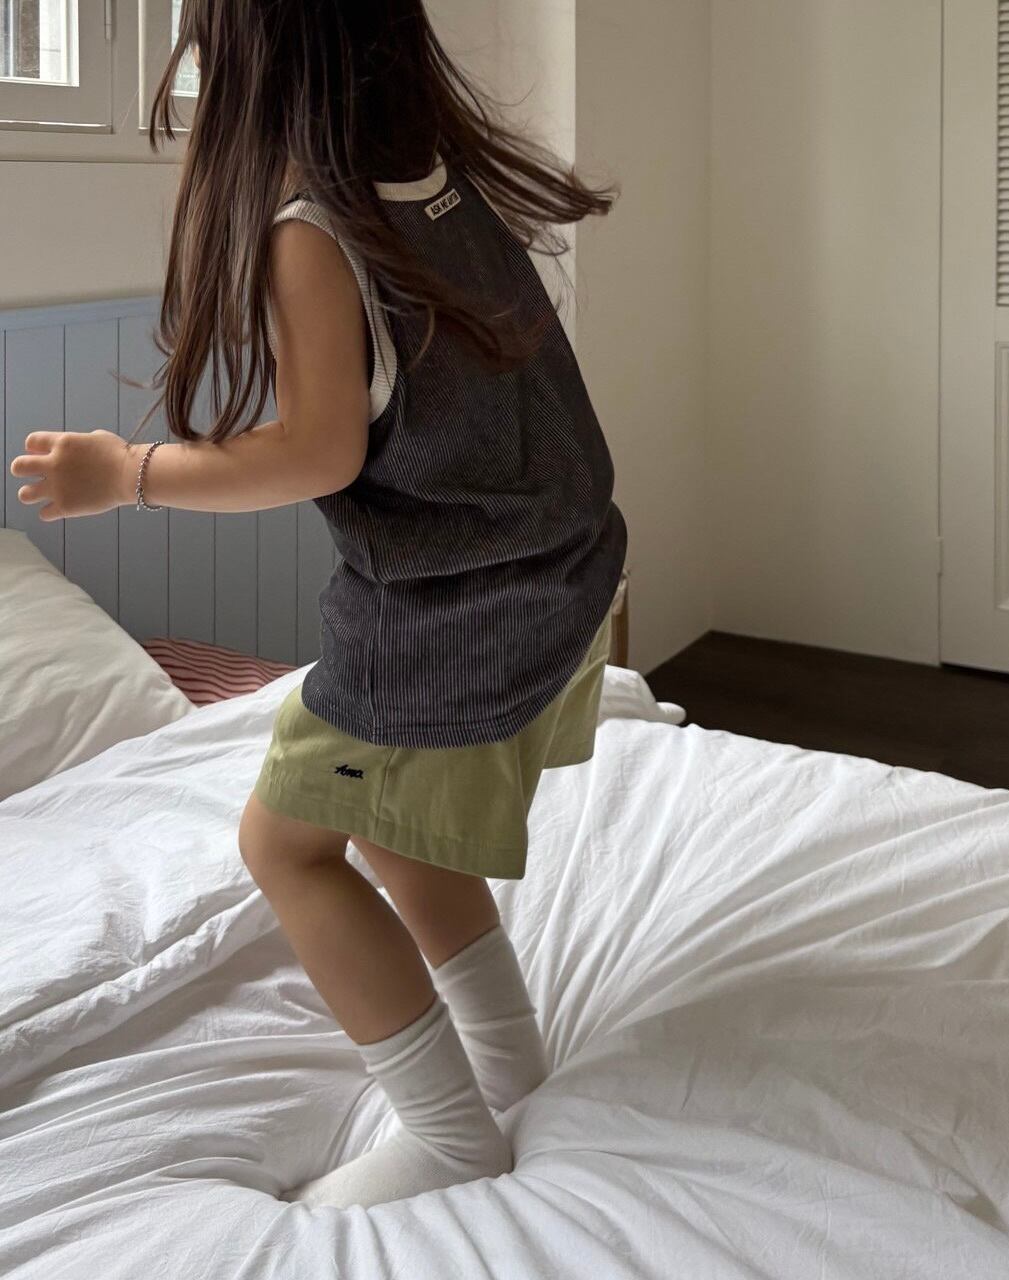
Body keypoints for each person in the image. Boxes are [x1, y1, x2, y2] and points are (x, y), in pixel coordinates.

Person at [9, 0, 626, 1210]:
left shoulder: (314, 229)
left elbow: (314, 452)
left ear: (250, 57)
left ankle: (448, 1133)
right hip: (559, 575)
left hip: (451, 615)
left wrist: (126, 473)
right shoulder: (436, 183)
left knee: (283, 843)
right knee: (387, 823)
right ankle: (509, 1062)